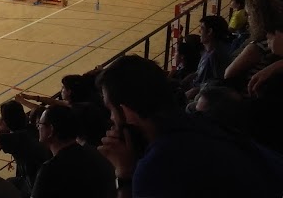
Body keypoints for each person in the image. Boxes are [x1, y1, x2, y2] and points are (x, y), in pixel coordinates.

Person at [97, 55, 283, 198]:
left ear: (127, 112)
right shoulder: (204, 125)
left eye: (111, 110)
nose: (111, 119)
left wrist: (125, 175)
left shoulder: (159, 165)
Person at [31, 104, 115, 198]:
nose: (38, 127)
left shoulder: (49, 171)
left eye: (40, 124)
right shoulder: (94, 154)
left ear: (51, 130)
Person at [0, 100, 51, 196]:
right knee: (11, 182)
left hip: (36, 187)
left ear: (7, 123)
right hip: (45, 179)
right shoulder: (32, 129)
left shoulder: (15, 139)